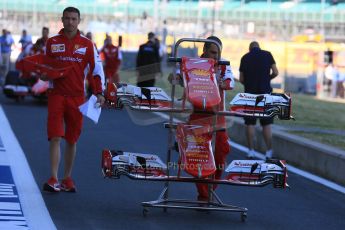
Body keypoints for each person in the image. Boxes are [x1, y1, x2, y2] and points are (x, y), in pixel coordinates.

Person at [41, 7, 105, 193]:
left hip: (77, 98)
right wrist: (44, 75)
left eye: (73, 19)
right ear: (61, 20)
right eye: (67, 18)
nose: (70, 22)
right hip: (56, 96)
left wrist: (99, 93)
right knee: (55, 136)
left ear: (79, 21)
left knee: (72, 139)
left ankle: (67, 178)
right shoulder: (52, 43)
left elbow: (96, 71)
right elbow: (44, 68)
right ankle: (53, 178)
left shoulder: (88, 45)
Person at [170, 36, 235, 202]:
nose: (216, 56)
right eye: (213, 52)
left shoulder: (224, 64)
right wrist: (176, 78)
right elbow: (176, 76)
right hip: (198, 115)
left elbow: (230, 81)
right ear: (204, 50)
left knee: (221, 152)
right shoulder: (191, 63)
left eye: (219, 53)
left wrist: (223, 83)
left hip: (218, 117)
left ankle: (210, 189)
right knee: (198, 156)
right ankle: (205, 195)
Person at [239, 41, 279, 159]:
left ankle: (251, 151)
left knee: (250, 123)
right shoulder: (268, 54)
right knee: (266, 124)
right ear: (259, 47)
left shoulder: (245, 58)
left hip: (250, 95)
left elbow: (241, 79)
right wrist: (267, 79)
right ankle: (269, 151)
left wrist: (249, 83)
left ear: (249, 48)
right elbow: (276, 72)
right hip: (265, 94)